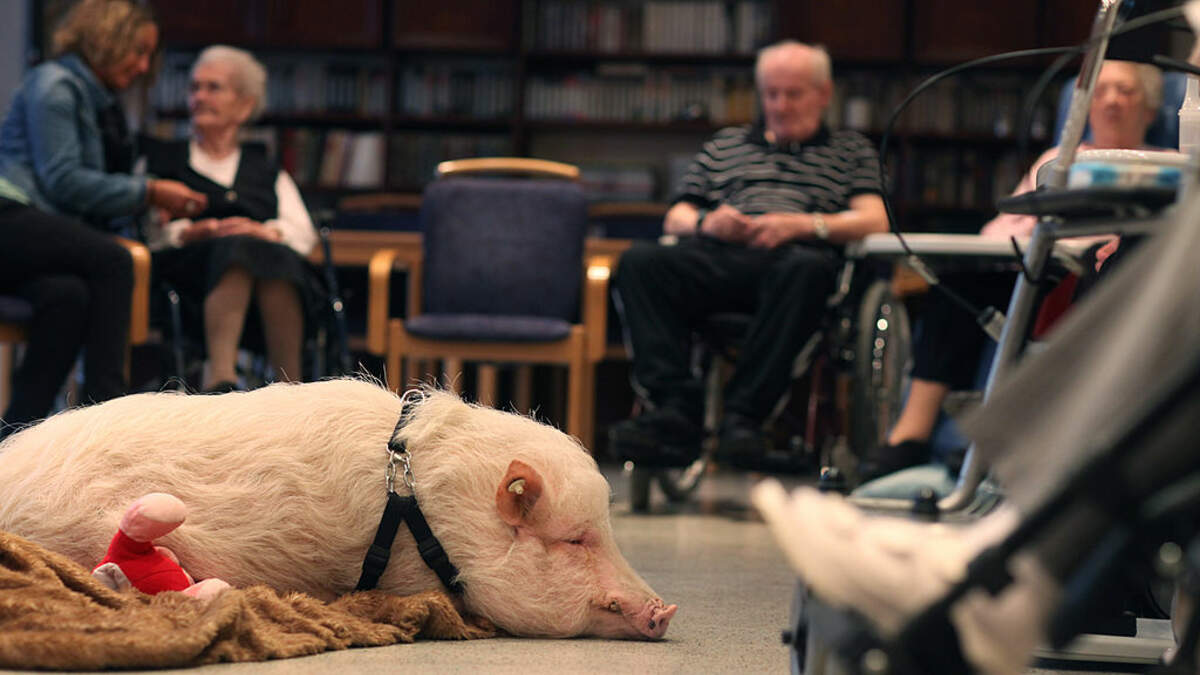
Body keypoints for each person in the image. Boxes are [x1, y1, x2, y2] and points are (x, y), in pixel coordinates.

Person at [857, 59, 1167, 486]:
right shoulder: (1057, 159)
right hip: (1036, 267)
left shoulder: (1169, 163)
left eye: (1125, 91)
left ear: (1150, 109)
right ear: (1085, 107)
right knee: (958, 284)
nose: (1111, 100)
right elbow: (1001, 229)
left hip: (1098, 277)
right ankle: (912, 435)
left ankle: (1000, 442)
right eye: (1100, 91)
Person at [609, 40, 889, 469]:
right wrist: (709, 222)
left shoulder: (851, 151)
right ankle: (674, 409)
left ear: (824, 94)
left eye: (793, 94)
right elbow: (677, 217)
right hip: (719, 256)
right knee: (640, 261)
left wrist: (801, 225)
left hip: (793, 264)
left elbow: (875, 220)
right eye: (771, 94)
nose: (780, 105)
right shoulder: (725, 145)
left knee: (807, 269)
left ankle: (744, 418)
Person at [0, 0, 206, 437]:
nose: (143, 65)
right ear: (107, 39)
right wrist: (149, 191)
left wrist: (146, 204)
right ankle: (106, 425)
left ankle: (14, 439)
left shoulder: (93, 97)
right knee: (115, 261)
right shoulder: (55, 85)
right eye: (138, 51)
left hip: (31, 229)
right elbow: (64, 181)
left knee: (68, 297)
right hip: (8, 216)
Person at [141, 45, 317, 392]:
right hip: (187, 281)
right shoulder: (162, 160)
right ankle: (221, 380)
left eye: (213, 88)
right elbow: (147, 231)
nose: (199, 97)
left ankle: (290, 387)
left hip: (263, 281)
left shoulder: (266, 170)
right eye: (194, 88)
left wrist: (262, 231)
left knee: (266, 252)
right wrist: (189, 233)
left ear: (245, 105)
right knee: (237, 250)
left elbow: (303, 234)